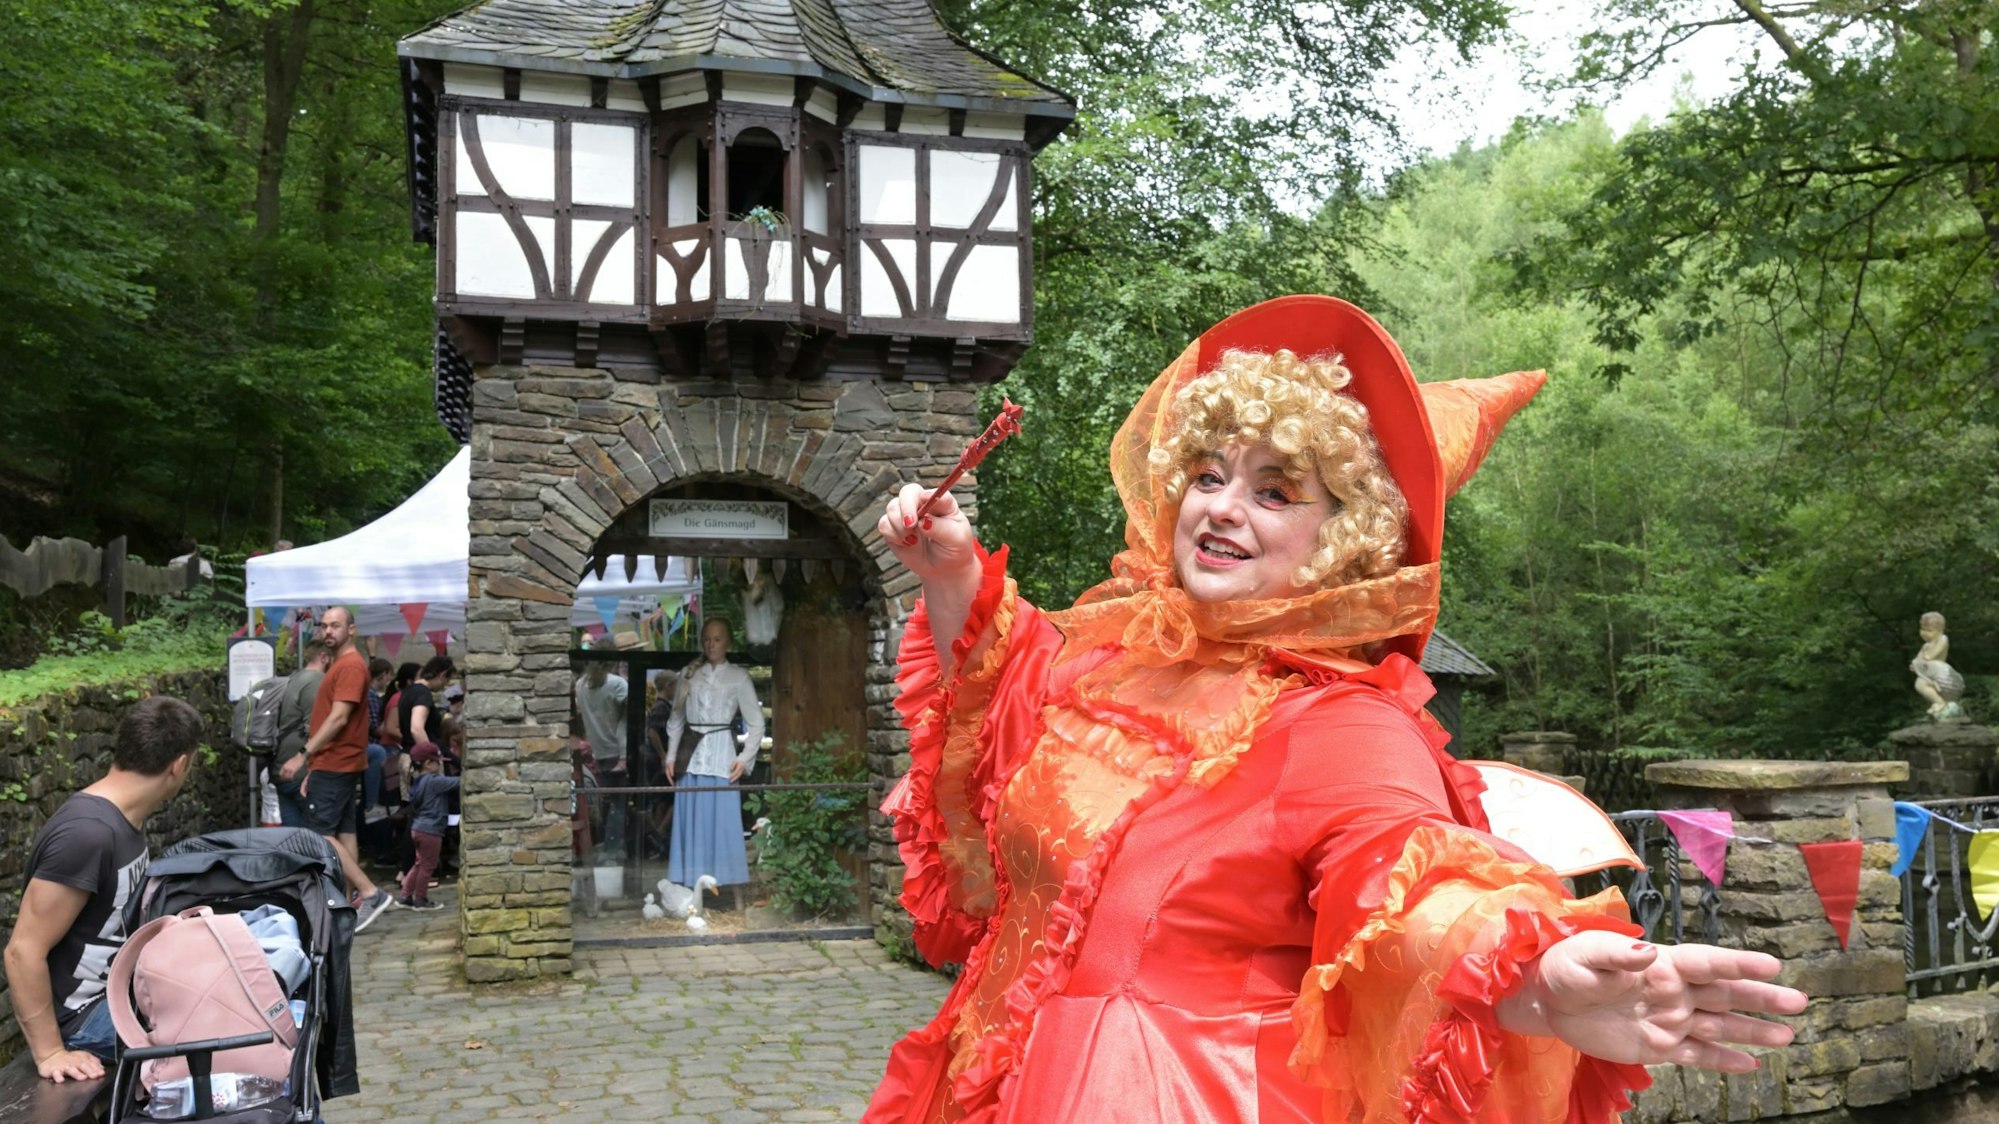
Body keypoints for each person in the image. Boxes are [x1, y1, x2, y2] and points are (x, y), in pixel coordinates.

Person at [861, 297, 1807, 1122]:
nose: (1223, 510)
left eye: (1274, 492)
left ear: (1340, 538)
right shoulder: (1120, 655)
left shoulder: (1340, 723)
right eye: (1208, 476)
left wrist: (1533, 975)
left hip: (1168, 1092)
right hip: (989, 1061)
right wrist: (951, 575)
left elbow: (1407, 880)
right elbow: (1011, 718)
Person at [4, 697, 202, 1082]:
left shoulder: (125, 818)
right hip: (85, 1017)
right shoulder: (88, 834)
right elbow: (21, 951)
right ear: (180, 765)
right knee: (231, 1036)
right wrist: (51, 1053)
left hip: (120, 992)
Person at [280, 605, 395, 931]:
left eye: (336, 626)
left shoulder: (351, 667)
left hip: (337, 763)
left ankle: (370, 892)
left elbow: (339, 718)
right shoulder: (344, 665)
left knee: (318, 834)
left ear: (352, 630)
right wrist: (315, 765)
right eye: (325, 626)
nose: (328, 631)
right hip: (334, 763)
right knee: (345, 833)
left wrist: (304, 755)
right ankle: (346, 905)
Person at [664, 618, 764, 889]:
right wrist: (670, 757)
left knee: (722, 827)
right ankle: (689, 889)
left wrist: (744, 759)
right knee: (691, 826)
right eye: (707, 638)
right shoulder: (688, 674)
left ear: (728, 643)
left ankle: (728, 889)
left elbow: (757, 724)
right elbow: (675, 720)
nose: (711, 644)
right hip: (691, 760)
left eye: (717, 639)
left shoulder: (739, 677)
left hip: (722, 761)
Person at [574, 661, 631, 857]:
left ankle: (609, 845)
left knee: (609, 802)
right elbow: (628, 719)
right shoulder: (618, 684)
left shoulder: (580, 684)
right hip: (617, 751)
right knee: (618, 804)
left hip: (598, 750)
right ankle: (612, 849)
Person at [269, 645, 330, 829]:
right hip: (300, 771)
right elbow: (317, 727)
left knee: (293, 839)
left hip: (281, 768)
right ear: (324, 657)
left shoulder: (291, 678)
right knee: (319, 834)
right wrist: (312, 769)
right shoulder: (317, 681)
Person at [398, 742, 459, 911]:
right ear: (428, 764)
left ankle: (405, 895)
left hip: (417, 828)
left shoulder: (416, 781)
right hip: (431, 831)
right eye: (438, 762)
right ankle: (421, 899)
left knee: (419, 863)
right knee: (427, 866)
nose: (440, 765)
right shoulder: (434, 781)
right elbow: (459, 782)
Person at [1910, 611, 1967, 721]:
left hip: (1941, 674)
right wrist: (1916, 664)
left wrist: (1921, 661)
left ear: (1940, 630)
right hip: (1929, 673)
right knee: (1920, 684)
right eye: (1922, 629)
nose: (1924, 633)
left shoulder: (1943, 639)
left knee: (1920, 683)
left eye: (1929, 630)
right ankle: (1938, 702)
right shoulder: (1925, 645)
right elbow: (1916, 661)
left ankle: (1941, 703)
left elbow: (1930, 656)